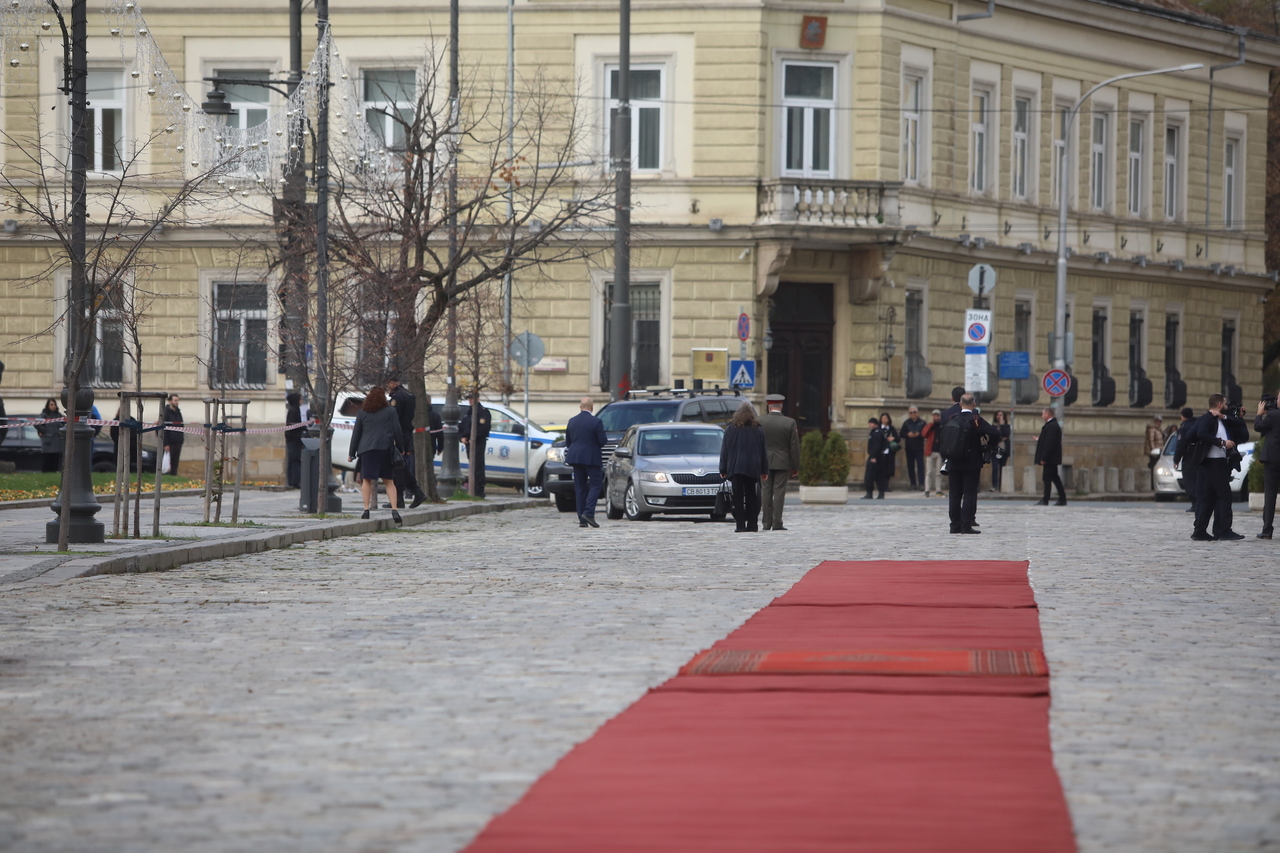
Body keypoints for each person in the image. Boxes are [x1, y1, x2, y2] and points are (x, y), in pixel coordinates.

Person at [1190, 394, 1248, 542]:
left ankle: (1200, 531)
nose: (1228, 407)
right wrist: (1221, 443)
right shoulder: (1207, 419)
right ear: (1220, 405)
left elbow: (1242, 431)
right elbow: (1201, 434)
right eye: (1226, 404)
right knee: (1225, 495)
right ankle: (1224, 530)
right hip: (1212, 462)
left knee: (1210, 497)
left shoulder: (1223, 419)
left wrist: (1232, 417)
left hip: (1220, 461)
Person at [943, 394, 1001, 533]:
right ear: (974, 404)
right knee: (969, 493)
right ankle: (966, 525)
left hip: (953, 461)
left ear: (961, 404)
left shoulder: (952, 418)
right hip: (971, 461)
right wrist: (989, 444)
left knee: (955, 494)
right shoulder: (976, 420)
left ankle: (954, 525)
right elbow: (995, 433)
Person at [347, 386, 404, 524]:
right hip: (385, 448)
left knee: (366, 480)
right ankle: (395, 509)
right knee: (389, 481)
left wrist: (352, 453)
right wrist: (401, 448)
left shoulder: (362, 413)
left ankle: (366, 509)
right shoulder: (391, 411)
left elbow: (356, 434)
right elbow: (397, 430)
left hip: (367, 450)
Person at [719, 402, 768, 532]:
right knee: (752, 496)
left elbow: (725, 451)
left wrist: (722, 469)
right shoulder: (758, 429)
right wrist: (764, 470)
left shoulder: (731, 429)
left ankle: (740, 525)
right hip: (752, 468)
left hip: (736, 467)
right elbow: (763, 451)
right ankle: (752, 524)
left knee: (738, 497)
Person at [564, 396, 607, 528]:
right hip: (591, 458)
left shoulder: (572, 421)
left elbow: (568, 441)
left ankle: (582, 518)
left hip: (575, 457)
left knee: (580, 487)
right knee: (596, 485)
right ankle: (588, 513)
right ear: (592, 407)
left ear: (580, 407)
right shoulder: (596, 422)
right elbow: (602, 441)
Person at [759, 394, 800, 531]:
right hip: (782, 462)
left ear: (768, 406)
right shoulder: (789, 422)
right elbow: (794, 447)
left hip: (764, 461)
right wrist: (795, 466)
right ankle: (777, 523)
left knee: (766, 491)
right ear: (781, 406)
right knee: (779, 492)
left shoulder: (760, 421)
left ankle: (766, 523)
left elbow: (756, 443)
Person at [386, 377, 427, 508]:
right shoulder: (409, 394)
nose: (388, 386)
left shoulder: (398, 397)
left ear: (394, 382)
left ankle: (407, 495)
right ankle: (407, 495)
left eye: (389, 383)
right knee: (400, 465)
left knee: (397, 466)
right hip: (406, 432)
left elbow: (394, 417)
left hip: (399, 433)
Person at [1255, 395, 1280, 540]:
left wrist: (1259, 414)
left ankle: (1267, 530)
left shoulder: (1273, 415)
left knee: (1270, 495)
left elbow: (1258, 427)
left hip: (1272, 459)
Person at [458, 392, 492, 498]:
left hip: (478, 443)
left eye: (472, 398)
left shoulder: (483, 412)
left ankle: (479, 490)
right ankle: (472, 489)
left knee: (478, 466)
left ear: (478, 398)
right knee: (472, 466)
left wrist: (472, 438)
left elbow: (483, 429)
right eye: (469, 398)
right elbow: (462, 427)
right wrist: (462, 437)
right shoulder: (468, 413)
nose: (470, 400)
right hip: (468, 443)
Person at [1034, 407, 1066, 507]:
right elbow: (1047, 440)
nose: (1042, 416)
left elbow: (1050, 443)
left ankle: (1046, 499)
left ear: (1048, 414)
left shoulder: (1052, 426)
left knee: (1047, 478)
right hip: (1051, 458)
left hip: (1050, 458)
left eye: (1043, 414)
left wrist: (1044, 458)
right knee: (1055, 478)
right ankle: (1062, 498)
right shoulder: (1052, 425)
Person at [1173, 406, 1199, 514]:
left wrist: (1176, 460)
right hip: (1200, 457)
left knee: (1189, 482)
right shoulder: (1198, 424)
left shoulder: (1183, 428)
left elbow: (1181, 445)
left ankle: (1195, 504)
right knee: (1199, 481)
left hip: (1189, 458)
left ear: (1182, 416)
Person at [862, 417, 889, 499]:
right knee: (879, 476)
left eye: (871, 423)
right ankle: (881, 493)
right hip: (880, 457)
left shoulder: (876, 433)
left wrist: (873, 456)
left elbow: (876, 446)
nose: (869, 425)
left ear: (875, 424)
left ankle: (870, 493)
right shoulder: (878, 432)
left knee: (870, 476)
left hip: (876, 457)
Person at [901, 406, 926, 491]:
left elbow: (925, 433)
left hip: (919, 447)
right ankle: (913, 483)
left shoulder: (922, 423)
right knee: (910, 466)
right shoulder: (906, 423)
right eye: (911, 413)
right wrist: (908, 434)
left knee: (920, 466)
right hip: (909, 447)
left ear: (917, 413)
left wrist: (918, 434)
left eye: (914, 412)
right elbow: (902, 433)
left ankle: (921, 483)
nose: (913, 414)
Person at [37, 397, 62, 472]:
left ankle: (54, 473)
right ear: (48, 405)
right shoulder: (44, 415)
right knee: (47, 461)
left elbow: (65, 422)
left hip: (57, 442)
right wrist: (43, 431)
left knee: (55, 461)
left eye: (54, 404)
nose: (53, 406)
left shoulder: (58, 415)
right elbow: (36, 424)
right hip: (48, 442)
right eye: (51, 404)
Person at [922, 409, 943, 497]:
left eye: (937, 416)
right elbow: (924, 434)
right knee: (929, 472)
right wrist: (931, 424)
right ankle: (927, 489)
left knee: (939, 472)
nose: (936, 417)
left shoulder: (942, 426)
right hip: (930, 451)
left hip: (939, 451)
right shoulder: (930, 426)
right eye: (934, 416)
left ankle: (938, 489)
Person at [285, 392, 304, 488]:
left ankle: (293, 481)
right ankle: (294, 481)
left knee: (293, 460)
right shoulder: (293, 411)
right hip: (293, 439)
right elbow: (293, 425)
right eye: (300, 399)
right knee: (295, 460)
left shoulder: (295, 410)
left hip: (293, 439)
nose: (302, 401)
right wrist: (302, 427)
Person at [163, 394, 185, 477]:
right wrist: (165, 443)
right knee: (168, 461)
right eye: (175, 400)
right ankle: (167, 476)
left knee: (175, 462)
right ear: (170, 401)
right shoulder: (165, 413)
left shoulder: (178, 412)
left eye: (177, 400)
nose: (177, 402)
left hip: (178, 441)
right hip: (169, 442)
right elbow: (162, 429)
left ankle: (174, 475)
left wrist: (181, 439)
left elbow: (181, 426)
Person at [989, 410, 1011, 492]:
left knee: (1002, 467)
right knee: (995, 467)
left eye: (1001, 415)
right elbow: (993, 436)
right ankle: (994, 485)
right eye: (998, 415)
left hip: (1003, 450)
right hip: (995, 450)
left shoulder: (1007, 426)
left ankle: (1002, 485)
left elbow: (1006, 434)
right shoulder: (993, 426)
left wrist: (1002, 424)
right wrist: (1001, 438)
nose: (999, 416)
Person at [1144, 414, 1165, 490]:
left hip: (1159, 451)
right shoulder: (1152, 430)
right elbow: (1151, 441)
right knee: (1154, 468)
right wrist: (1153, 451)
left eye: (1160, 421)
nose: (1158, 422)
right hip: (1154, 453)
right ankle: (1152, 485)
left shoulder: (1159, 429)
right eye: (1157, 421)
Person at [879, 412, 899, 490]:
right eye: (883, 418)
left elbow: (898, 438)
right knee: (881, 469)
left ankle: (886, 485)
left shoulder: (891, 429)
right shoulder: (879, 429)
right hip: (881, 451)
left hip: (890, 451)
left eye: (886, 418)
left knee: (888, 469)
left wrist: (893, 438)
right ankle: (881, 485)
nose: (884, 420)